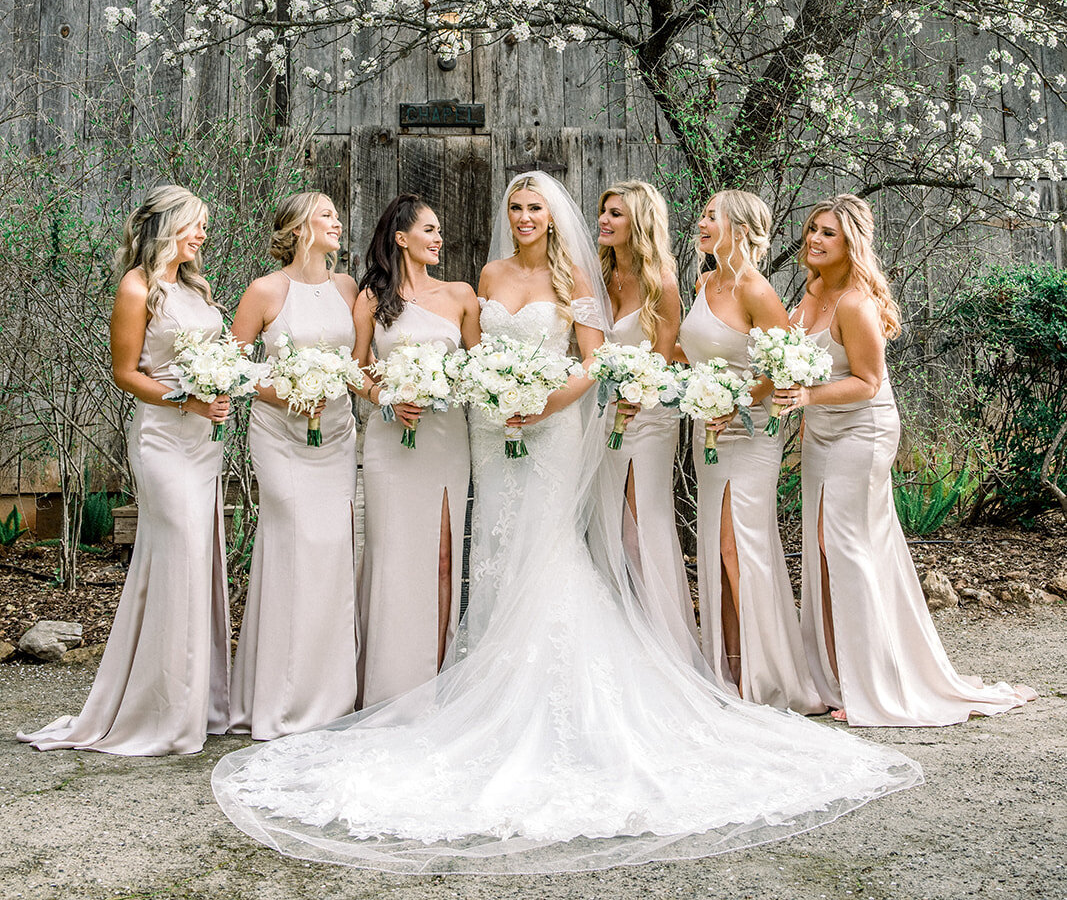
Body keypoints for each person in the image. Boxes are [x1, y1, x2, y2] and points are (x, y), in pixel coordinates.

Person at [211, 173, 920, 874]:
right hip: (491, 431)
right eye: (515, 207)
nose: (524, 217)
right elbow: (467, 355)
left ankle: (556, 686)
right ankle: (480, 675)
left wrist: (546, 404)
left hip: (548, 428)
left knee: (546, 550)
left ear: (553, 218)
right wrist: (485, 390)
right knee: (493, 547)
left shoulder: (574, 274)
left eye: (535, 208)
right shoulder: (484, 276)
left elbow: (594, 362)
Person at [787, 193, 1035, 727]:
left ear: (850, 242)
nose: (813, 239)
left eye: (827, 233)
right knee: (821, 545)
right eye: (811, 229)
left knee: (847, 546)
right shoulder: (807, 298)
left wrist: (806, 397)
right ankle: (831, 675)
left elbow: (868, 382)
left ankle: (872, 683)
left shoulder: (855, 303)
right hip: (819, 431)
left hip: (862, 429)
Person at [21, 186, 230, 755]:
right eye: (197, 225)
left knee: (195, 560)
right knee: (180, 552)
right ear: (169, 225)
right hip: (164, 439)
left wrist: (222, 379)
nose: (203, 235)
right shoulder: (136, 288)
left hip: (203, 438)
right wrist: (185, 398)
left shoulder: (193, 288)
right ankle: (162, 711)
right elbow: (126, 372)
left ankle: (193, 701)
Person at [678, 191, 823, 711]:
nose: (701, 221)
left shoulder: (755, 290)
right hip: (708, 430)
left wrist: (738, 401)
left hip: (750, 432)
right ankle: (730, 667)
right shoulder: (704, 282)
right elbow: (691, 351)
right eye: (703, 213)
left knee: (740, 545)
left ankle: (763, 679)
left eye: (711, 215)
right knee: (719, 549)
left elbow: (786, 364)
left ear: (739, 228)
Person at [228, 192, 360, 739]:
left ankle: (329, 696)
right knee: (292, 544)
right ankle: (278, 699)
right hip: (279, 435)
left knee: (331, 550)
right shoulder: (265, 290)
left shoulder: (347, 287)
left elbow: (358, 362)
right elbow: (230, 369)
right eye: (326, 215)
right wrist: (286, 395)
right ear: (302, 227)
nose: (336, 222)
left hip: (336, 434)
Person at [353, 194, 478, 705]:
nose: (438, 238)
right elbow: (355, 368)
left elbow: (477, 366)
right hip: (391, 442)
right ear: (401, 238)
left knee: (445, 556)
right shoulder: (371, 298)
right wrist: (387, 397)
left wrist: (453, 384)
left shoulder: (461, 295)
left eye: (440, 230)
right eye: (428, 230)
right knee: (393, 555)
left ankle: (439, 680)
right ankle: (389, 684)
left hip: (447, 439)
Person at [596, 179, 696, 652]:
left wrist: (635, 395)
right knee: (606, 525)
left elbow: (659, 357)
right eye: (604, 211)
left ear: (638, 221)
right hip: (600, 413)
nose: (604, 220)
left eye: (616, 214)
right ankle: (617, 639)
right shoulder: (596, 276)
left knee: (642, 524)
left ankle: (663, 643)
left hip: (648, 414)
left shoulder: (662, 282)